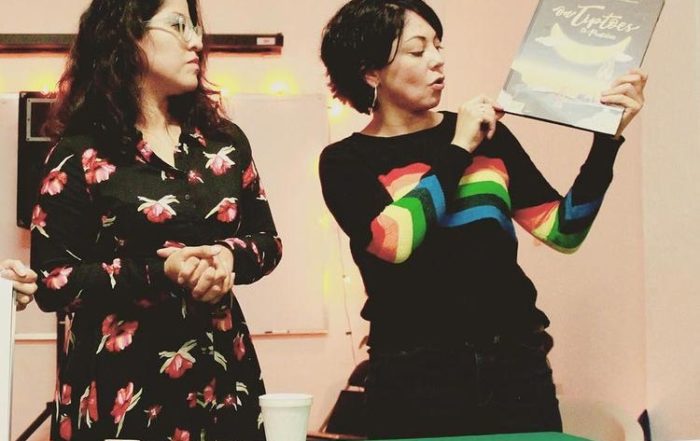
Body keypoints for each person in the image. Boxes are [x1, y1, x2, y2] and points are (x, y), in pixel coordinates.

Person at [319, 0, 646, 438]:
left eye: (438, 45)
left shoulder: (490, 137)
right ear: (370, 72)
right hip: (412, 376)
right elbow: (393, 241)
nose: (437, 59)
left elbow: (564, 231)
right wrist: (458, 149)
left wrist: (607, 141)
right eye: (417, 50)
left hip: (515, 365)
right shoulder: (345, 160)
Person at [31, 0, 282, 440]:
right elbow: (53, 281)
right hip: (121, 389)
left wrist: (228, 256)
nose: (197, 41)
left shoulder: (223, 141)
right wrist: (160, 271)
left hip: (220, 375)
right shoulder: (80, 151)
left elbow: (267, 240)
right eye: (179, 25)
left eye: (196, 27)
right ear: (127, 34)